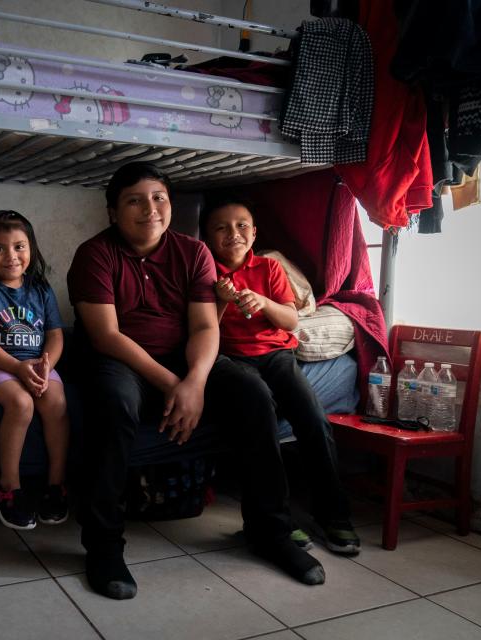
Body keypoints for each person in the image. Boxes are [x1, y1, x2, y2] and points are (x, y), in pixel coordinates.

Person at [68, 162, 326, 601]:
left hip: (184, 355)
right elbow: (106, 336)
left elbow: (207, 329)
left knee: (252, 392)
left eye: (159, 198)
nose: (150, 209)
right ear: (112, 211)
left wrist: (196, 382)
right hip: (120, 358)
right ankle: (104, 546)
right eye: (134, 200)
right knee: (111, 404)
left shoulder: (193, 252)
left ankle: (270, 531)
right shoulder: (95, 254)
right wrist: (174, 384)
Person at [201, 194, 360, 556]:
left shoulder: (269, 269)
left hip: (277, 355)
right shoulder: (205, 271)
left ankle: (334, 515)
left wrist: (264, 302)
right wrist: (223, 299)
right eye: (221, 228)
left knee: (314, 419)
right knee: (260, 416)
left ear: (254, 233)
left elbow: (291, 320)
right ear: (207, 236)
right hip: (231, 359)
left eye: (242, 226)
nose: (233, 234)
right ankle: (279, 521)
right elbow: (201, 327)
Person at [0, 210, 70, 530]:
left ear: (31, 249)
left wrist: (46, 363)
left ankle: (56, 485)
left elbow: (55, 335)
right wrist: (17, 368)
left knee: (56, 403)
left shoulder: (40, 288)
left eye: (19, 247)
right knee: (21, 404)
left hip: (37, 363)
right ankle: (8, 487)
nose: (11, 256)